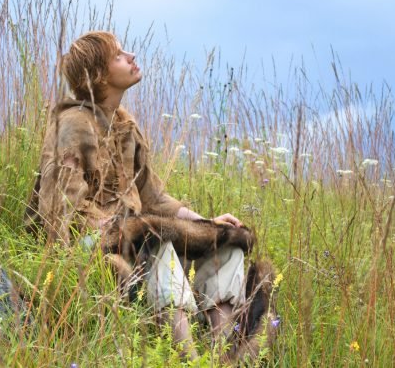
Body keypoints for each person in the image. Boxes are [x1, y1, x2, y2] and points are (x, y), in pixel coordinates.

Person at [25, 31, 276, 361]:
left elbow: (154, 198)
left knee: (227, 246)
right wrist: (115, 232)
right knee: (155, 239)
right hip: (92, 245)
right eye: (118, 55)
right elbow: (58, 211)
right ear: (99, 75)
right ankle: (190, 358)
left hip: (136, 234)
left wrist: (206, 222)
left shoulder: (126, 125)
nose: (130, 56)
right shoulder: (72, 124)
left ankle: (226, 352)